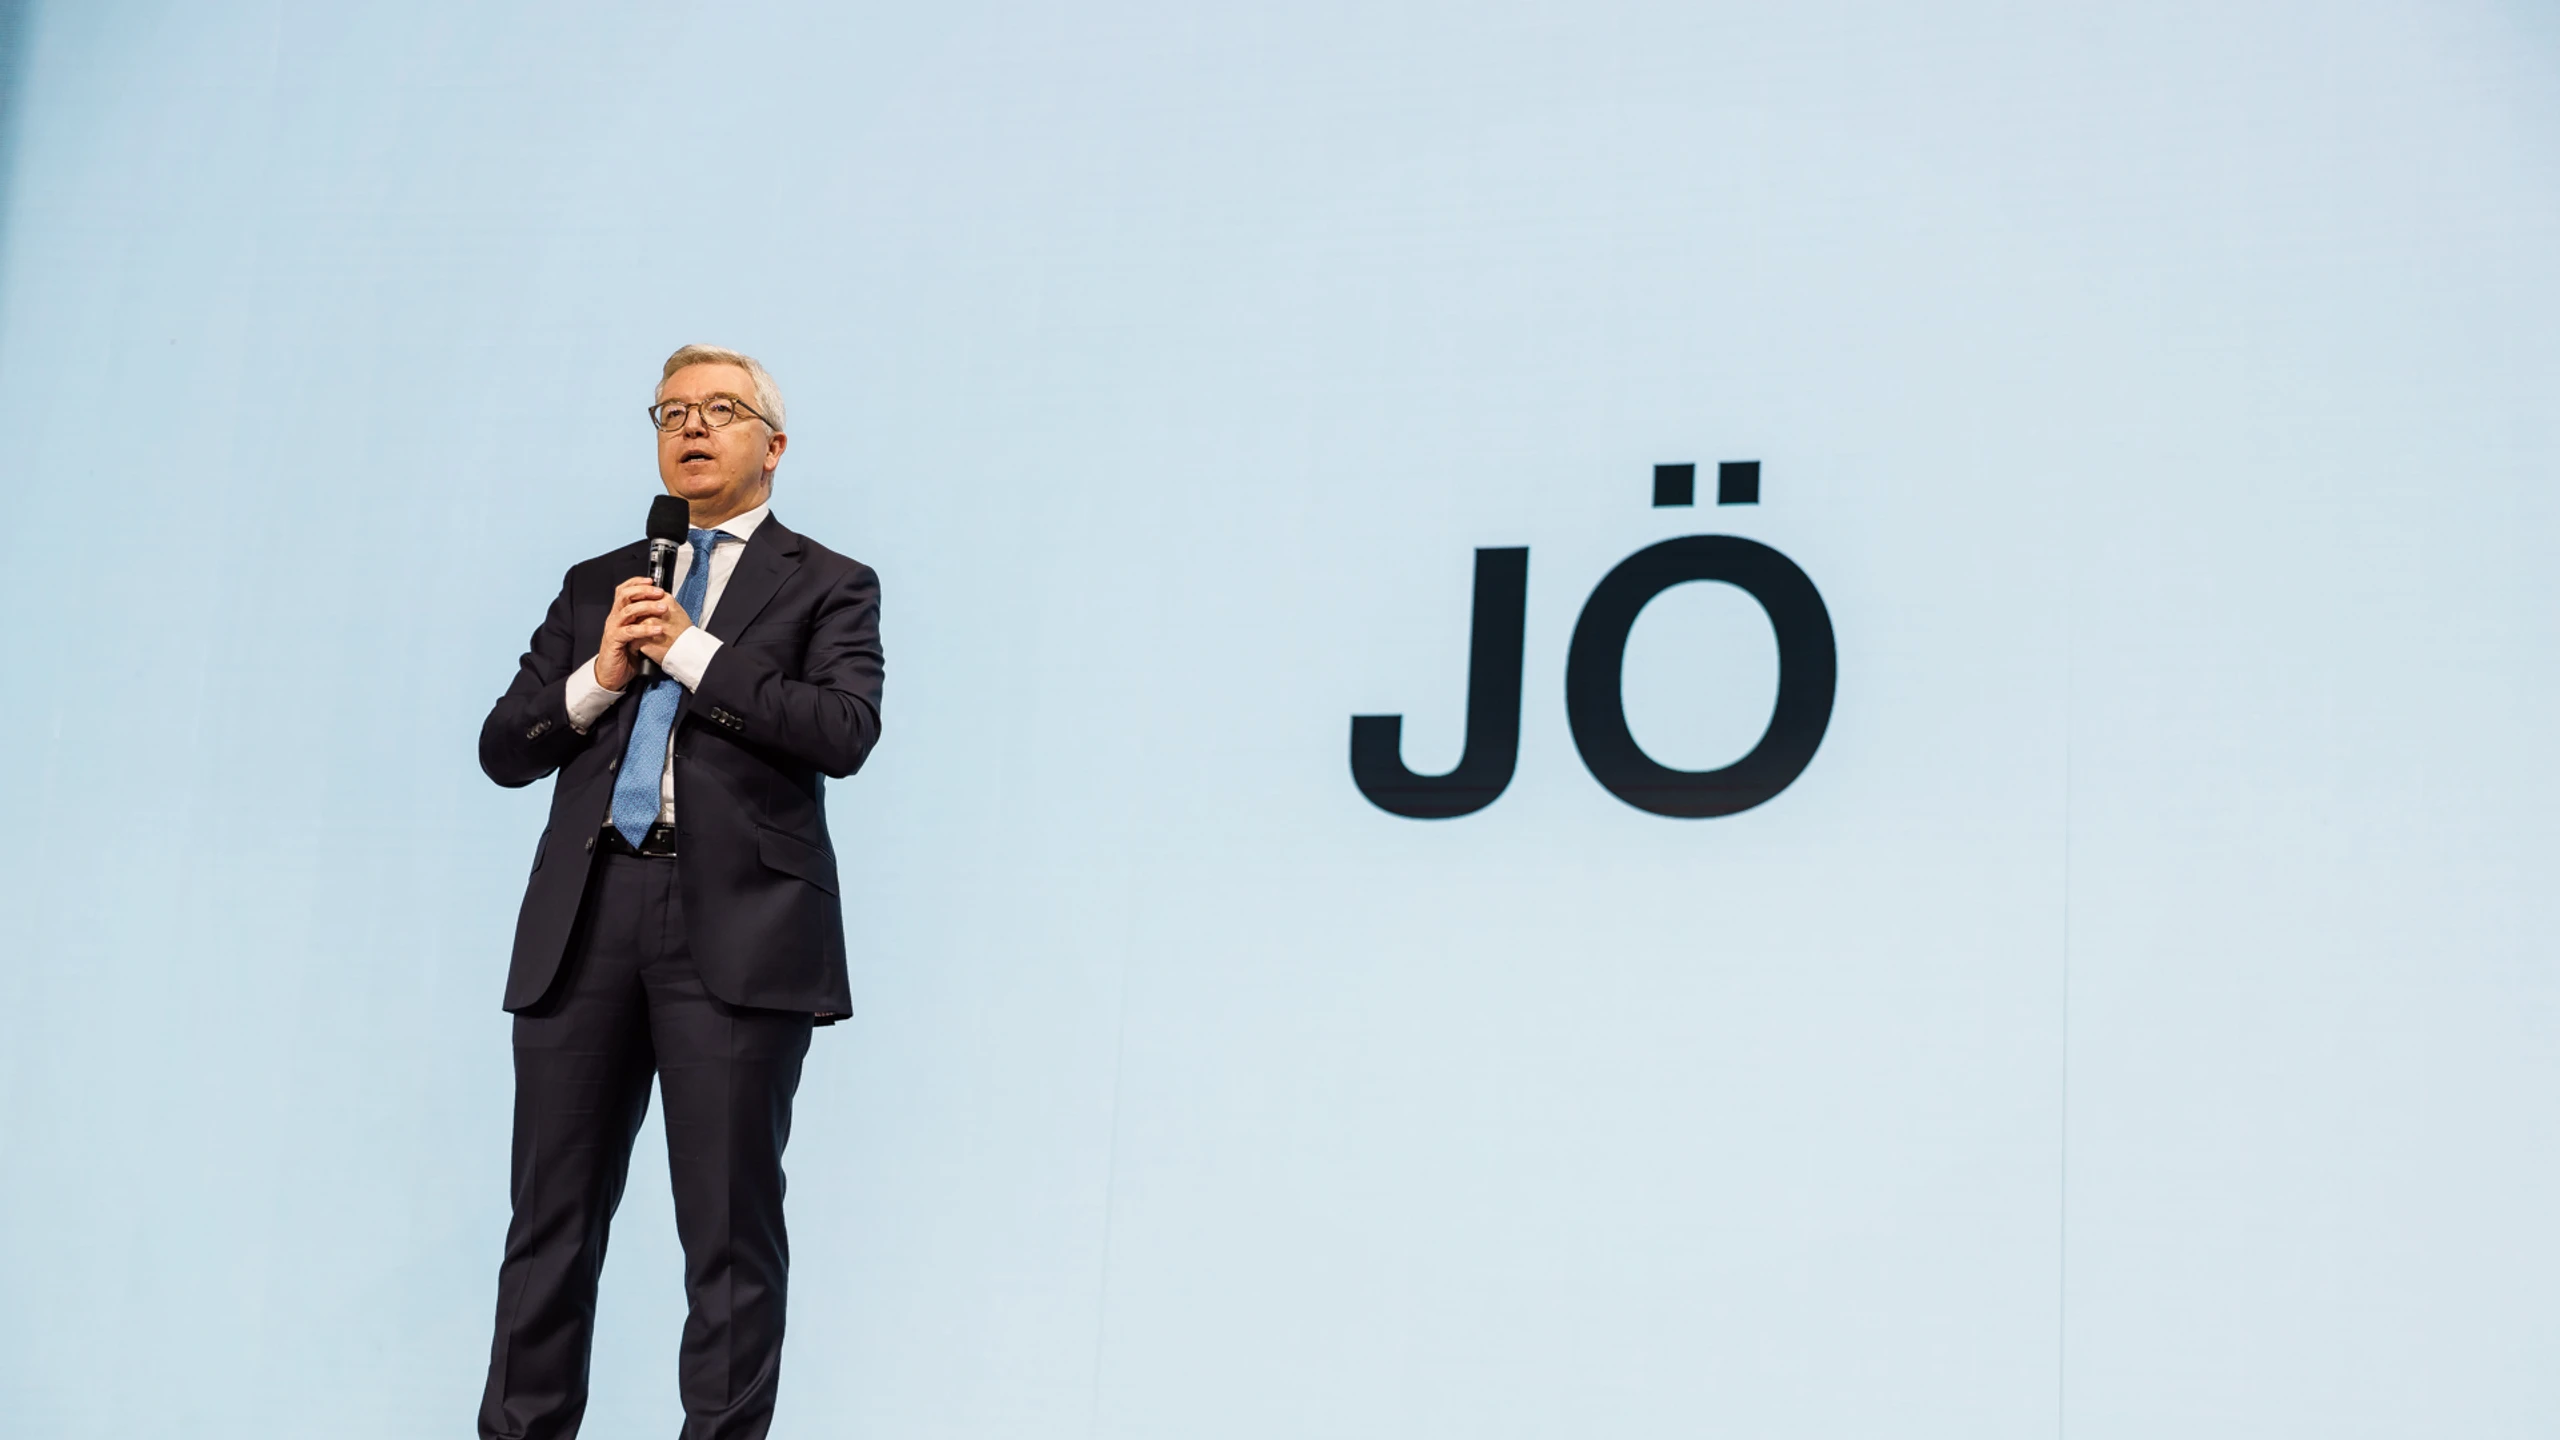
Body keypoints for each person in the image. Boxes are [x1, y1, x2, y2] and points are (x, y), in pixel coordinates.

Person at [474, 344, 884, 1439]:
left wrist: (694, 653)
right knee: (547, 1229)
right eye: (671, 413)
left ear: (774, 445)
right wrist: (602, 674)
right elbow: (505, 749)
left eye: (720, 410)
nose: (692, 428)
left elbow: (843, 731)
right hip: (586, 920)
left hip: (739, 932)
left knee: (729, 1237)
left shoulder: (830, 582)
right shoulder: (598, 583)